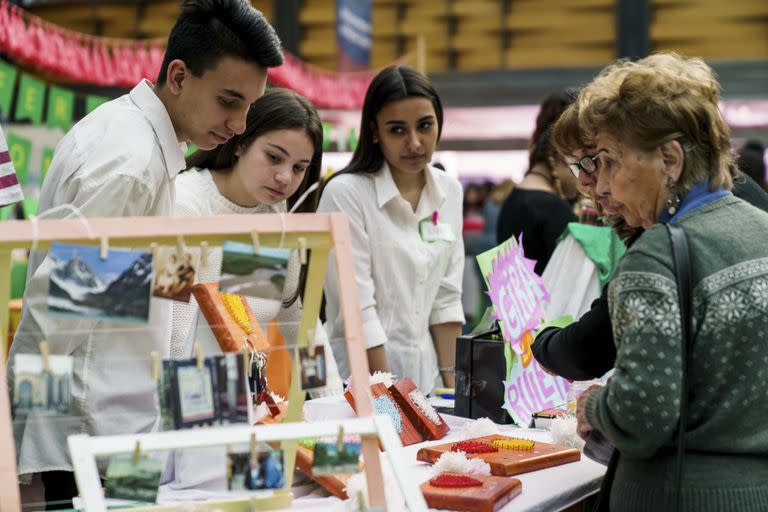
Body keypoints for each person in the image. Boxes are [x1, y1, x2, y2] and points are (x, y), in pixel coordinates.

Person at [9, 1, 283, 507]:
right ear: (178, 76)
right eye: (229, 101)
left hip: (117, 426)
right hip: (97, 442)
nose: (241, 124)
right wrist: (14, 435)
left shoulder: (141, 142)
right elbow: (60, 318)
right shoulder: (130, 164)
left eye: (250, 105)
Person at [571, 53, 768, 511]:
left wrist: (595, 405)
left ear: (669, 159)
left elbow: (642, 414)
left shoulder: (657, 255)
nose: (606, 188)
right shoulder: (762, 229)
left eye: (610, 162)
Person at [534, 58, 768, 382]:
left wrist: (597, 409)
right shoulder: (744, 210)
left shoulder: (666, 242)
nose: (593, 185)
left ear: (669, 159)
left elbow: (642, 402)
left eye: (603, 162)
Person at [164, 88, 342, 492]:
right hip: (174, 426)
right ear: (241, 142)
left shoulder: (273, 215)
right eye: (274, 157)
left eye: (300, 167)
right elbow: (171, 334)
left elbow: (299, 321)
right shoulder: (187, 203)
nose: (285, 178)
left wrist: (334, 409)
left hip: (237, 420)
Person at [318, 65, 464, 394]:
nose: (414, 142)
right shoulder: (345, 194)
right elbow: (358, 311)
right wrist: (393, 401)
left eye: (425, 126)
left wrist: (453, 389)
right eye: (397, 130)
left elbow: (446, 299)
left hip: (427, 383)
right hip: (359, 383)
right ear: (374, 132)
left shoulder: (449, 191)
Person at [496, 127, 579, 275]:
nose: (582, 178)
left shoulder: (510, 200)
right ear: (564, 159)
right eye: (579, 166)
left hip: (511, 297)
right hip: (550, 297)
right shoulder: (555, 208)